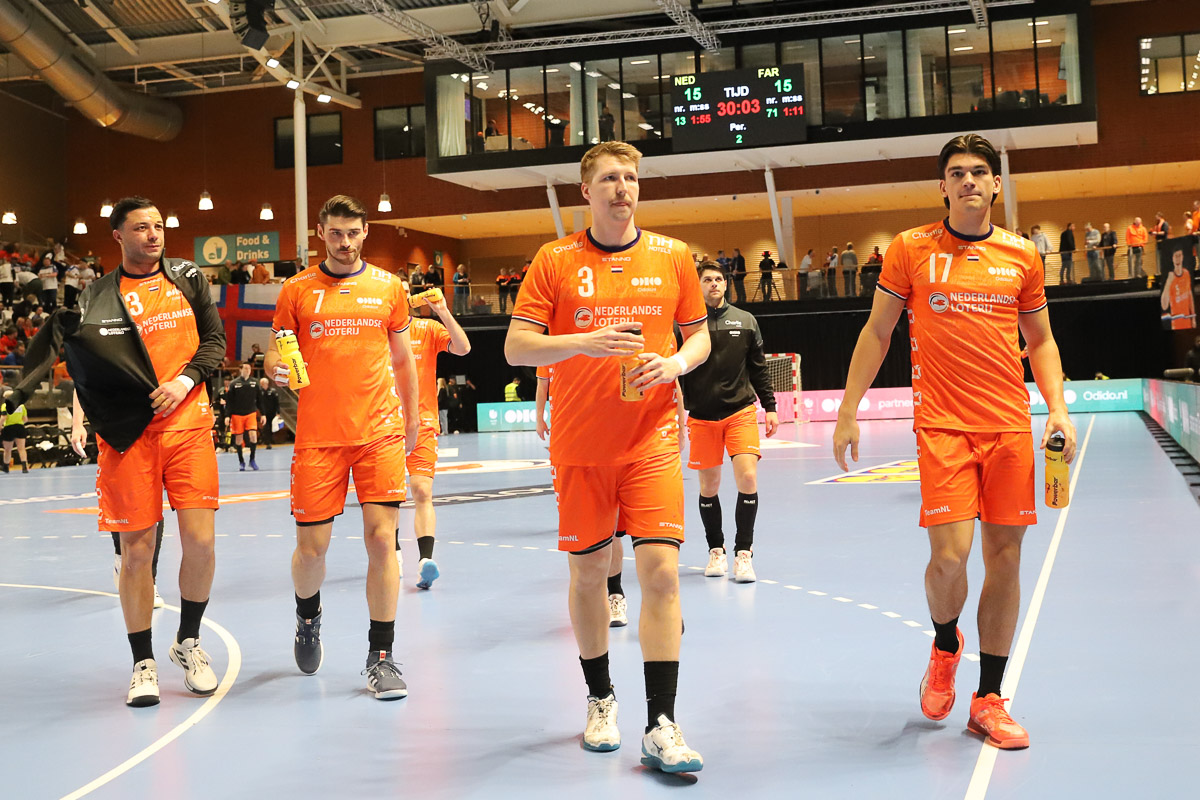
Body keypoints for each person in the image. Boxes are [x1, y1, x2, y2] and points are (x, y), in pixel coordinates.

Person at [833, 134, 1075, 751]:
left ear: (995, 184)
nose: (969, 180)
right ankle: (945, 645)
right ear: (943, 186)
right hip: (942, 427)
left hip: (1008, 427)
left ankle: (989, 700)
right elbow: (878, 331)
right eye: (958, 172)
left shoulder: (1022, 255)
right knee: (949, 559)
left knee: (1005, 559)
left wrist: (1058, 409)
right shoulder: (910, 249)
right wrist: (848, 409)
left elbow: (1040, 341)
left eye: (979, 171)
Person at [505, 141, 710, 772]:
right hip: (581, 445)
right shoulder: (555, 259)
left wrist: (676, 364)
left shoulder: (672, 256)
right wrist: (583, 341)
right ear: (586, 191)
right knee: (590, 576)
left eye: (631, 178)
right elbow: (516, 348)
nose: (623, 188)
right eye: (610, 179)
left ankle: (662, 723)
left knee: (662, 574)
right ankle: (600, 700)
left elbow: (698, 334)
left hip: (652, 439)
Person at [13, 196, 225, 707]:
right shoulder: (96, 297)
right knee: (137, 552)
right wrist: (26, 398)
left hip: (189, 426)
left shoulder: (188, 277)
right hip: (129, 438)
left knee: (200, 542)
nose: (154, 235)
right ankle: (143, 662)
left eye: (159, 226)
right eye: (142, 228)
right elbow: (81, 366)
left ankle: (188, 642)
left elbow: (214, 342)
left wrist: (184, 381)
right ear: (118, 236)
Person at [265, 194, 419, 700]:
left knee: (382, 540)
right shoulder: (296, 290)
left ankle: (382, 656)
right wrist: (276, 368)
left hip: (379, 431)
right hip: (319, 438)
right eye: (336, 233)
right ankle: (307, 617)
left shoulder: (389, 288)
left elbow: (404, 360)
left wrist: (413, 419)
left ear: (365, 231)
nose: (346, 242)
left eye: (353, 233)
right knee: (312, 551)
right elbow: (275, 354)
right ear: (321, 233)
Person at [680, 263, 777, 583]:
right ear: (698, 286)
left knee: (747, 477)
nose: (714, 284)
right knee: (709, 487)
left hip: (740, 412)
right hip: (702, 417)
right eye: (707, 279)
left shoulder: (745, 320)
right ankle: (716, 550)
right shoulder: (684, 326)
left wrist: (770, 407)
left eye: (719, 279)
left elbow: (758, 367)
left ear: (726, 284)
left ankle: (744, 553)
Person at [535, 365, 632, 627]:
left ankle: (616, 594)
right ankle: (591, 599)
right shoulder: (551, 351)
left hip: (612, 444)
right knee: (582, 533)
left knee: (615, 529)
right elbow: (542, 385)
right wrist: (539, 417)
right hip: (570, 449)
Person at [398, 289, 470, 589]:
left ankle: (424, 560)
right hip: (383, 424)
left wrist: (442, 311)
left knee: (421, 491)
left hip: (423, 422)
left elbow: (463, 348)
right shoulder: (375, 332)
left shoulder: (426, 329)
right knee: (386, 498)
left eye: (404, 292)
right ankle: (394, 553)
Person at [225, 362, 260, 471]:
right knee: (239, 439)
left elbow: (260, 399)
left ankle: (252, 460)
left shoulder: (255, 382)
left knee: (253, 436)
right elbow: (229, 401)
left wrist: (263, 414)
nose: (247, 370)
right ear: (241, 370)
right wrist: (227, 416)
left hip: (251, 413)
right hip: (237, 414)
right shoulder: (234, 383)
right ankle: (241, 461)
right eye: (245, 368)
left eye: (249, 368)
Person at [1160, 249, 1196, 330]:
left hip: (1188, 321)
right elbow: (1164, 306)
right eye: (1176, 256)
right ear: (1172, 258)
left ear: (1182, 257)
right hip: (1176, 324)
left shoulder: (1186, 273)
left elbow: (1190, 297)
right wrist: (1169, 282)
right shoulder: (1170, 278)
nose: (1178, 258)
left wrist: (1193, 317)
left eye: (1179, 255)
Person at [0, 393, 29, 473]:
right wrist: (18, 422)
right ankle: (24, 467)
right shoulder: (21, 406)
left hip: (9, 428)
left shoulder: (5, 406)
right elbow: (25, 419)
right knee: (22, 448)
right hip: (20, 427)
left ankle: (6, 467)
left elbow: (4, 417)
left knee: (8, 449)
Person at [257, 376, 278, 449]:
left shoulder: (273, 391)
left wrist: (278, 413)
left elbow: (277, 403)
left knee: (272, 427)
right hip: (263, 413)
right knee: (266, 428)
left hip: (272, 412)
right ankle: (267, 442)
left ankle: (270, 440)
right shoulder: (259, 392)